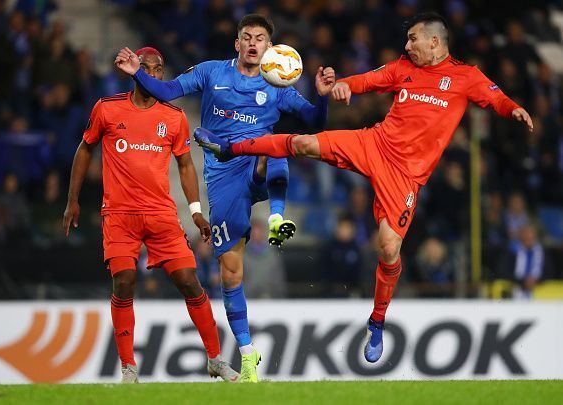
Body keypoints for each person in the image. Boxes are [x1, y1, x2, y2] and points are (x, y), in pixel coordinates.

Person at [194, 12, 534, 363]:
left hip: (405, 175)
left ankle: (376, 320)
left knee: (388, 248)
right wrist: (343, 85)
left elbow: (495, 99)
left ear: (434, 42)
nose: (407, 45)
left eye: (413, 38)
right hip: (375, 143)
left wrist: (514, 110)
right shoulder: (404, 67)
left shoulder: (466, 77)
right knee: (304, 143)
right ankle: (229, 147)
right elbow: (370, 80)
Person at [114, 14, 335, 382]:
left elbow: (314, 121)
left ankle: (277, 217)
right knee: (230, 273)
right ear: (237, 43)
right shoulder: (212, 72)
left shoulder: (277, 83)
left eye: (260, 38)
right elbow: (168, 92)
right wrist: (139, 72)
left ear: (269, 47)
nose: (252, 43)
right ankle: (248, 352)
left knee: (278, 144)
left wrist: (323, 99)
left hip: (254, 159)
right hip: (221, 176)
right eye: (246, 37)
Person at [63, 47, 238, 383]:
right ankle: (129, 369)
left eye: (159, 69)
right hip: (119, 215)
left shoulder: (173, 116)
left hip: (161, 215)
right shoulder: (107, 108)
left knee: (189, 281)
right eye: (147, 67)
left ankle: (215, 359)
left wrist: (197, 213)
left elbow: (186, 165)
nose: (154, 74)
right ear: (135, 70)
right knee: (125, 282)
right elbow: (85, 147)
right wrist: (73, 200)